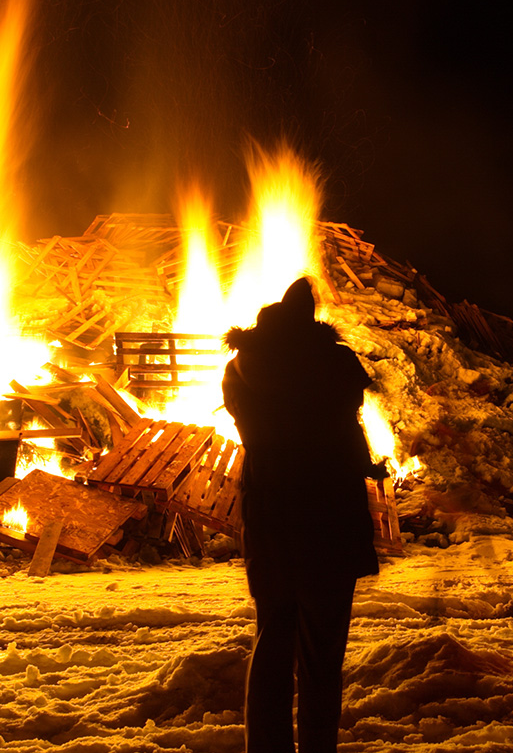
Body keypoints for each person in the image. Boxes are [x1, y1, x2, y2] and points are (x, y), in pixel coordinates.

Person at [222, 277, 383, 753]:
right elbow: (347, 422)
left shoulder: (241, 366)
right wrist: (366, 465)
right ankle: (317, 746)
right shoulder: (331, 364)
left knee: (272, 636)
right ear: (309, 317)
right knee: (322, 649)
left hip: (271, 509)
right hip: (327, 512)